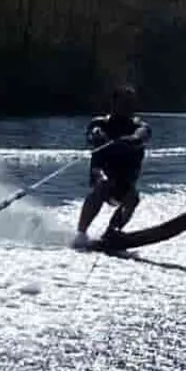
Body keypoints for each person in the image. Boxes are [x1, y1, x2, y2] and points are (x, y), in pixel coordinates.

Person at [73, 84, 152, 249]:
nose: (127, 107)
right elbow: (91, 134)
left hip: (124, 182)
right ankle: (81, 233)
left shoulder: (140, 127)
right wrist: (96, 136)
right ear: (113, 103)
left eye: (130, 104)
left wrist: (128, 140)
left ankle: (112, 231)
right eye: (123, 103)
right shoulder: (99, 123)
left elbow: (140, 137)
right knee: (103, 184)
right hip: (101, 175)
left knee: (133, 197)